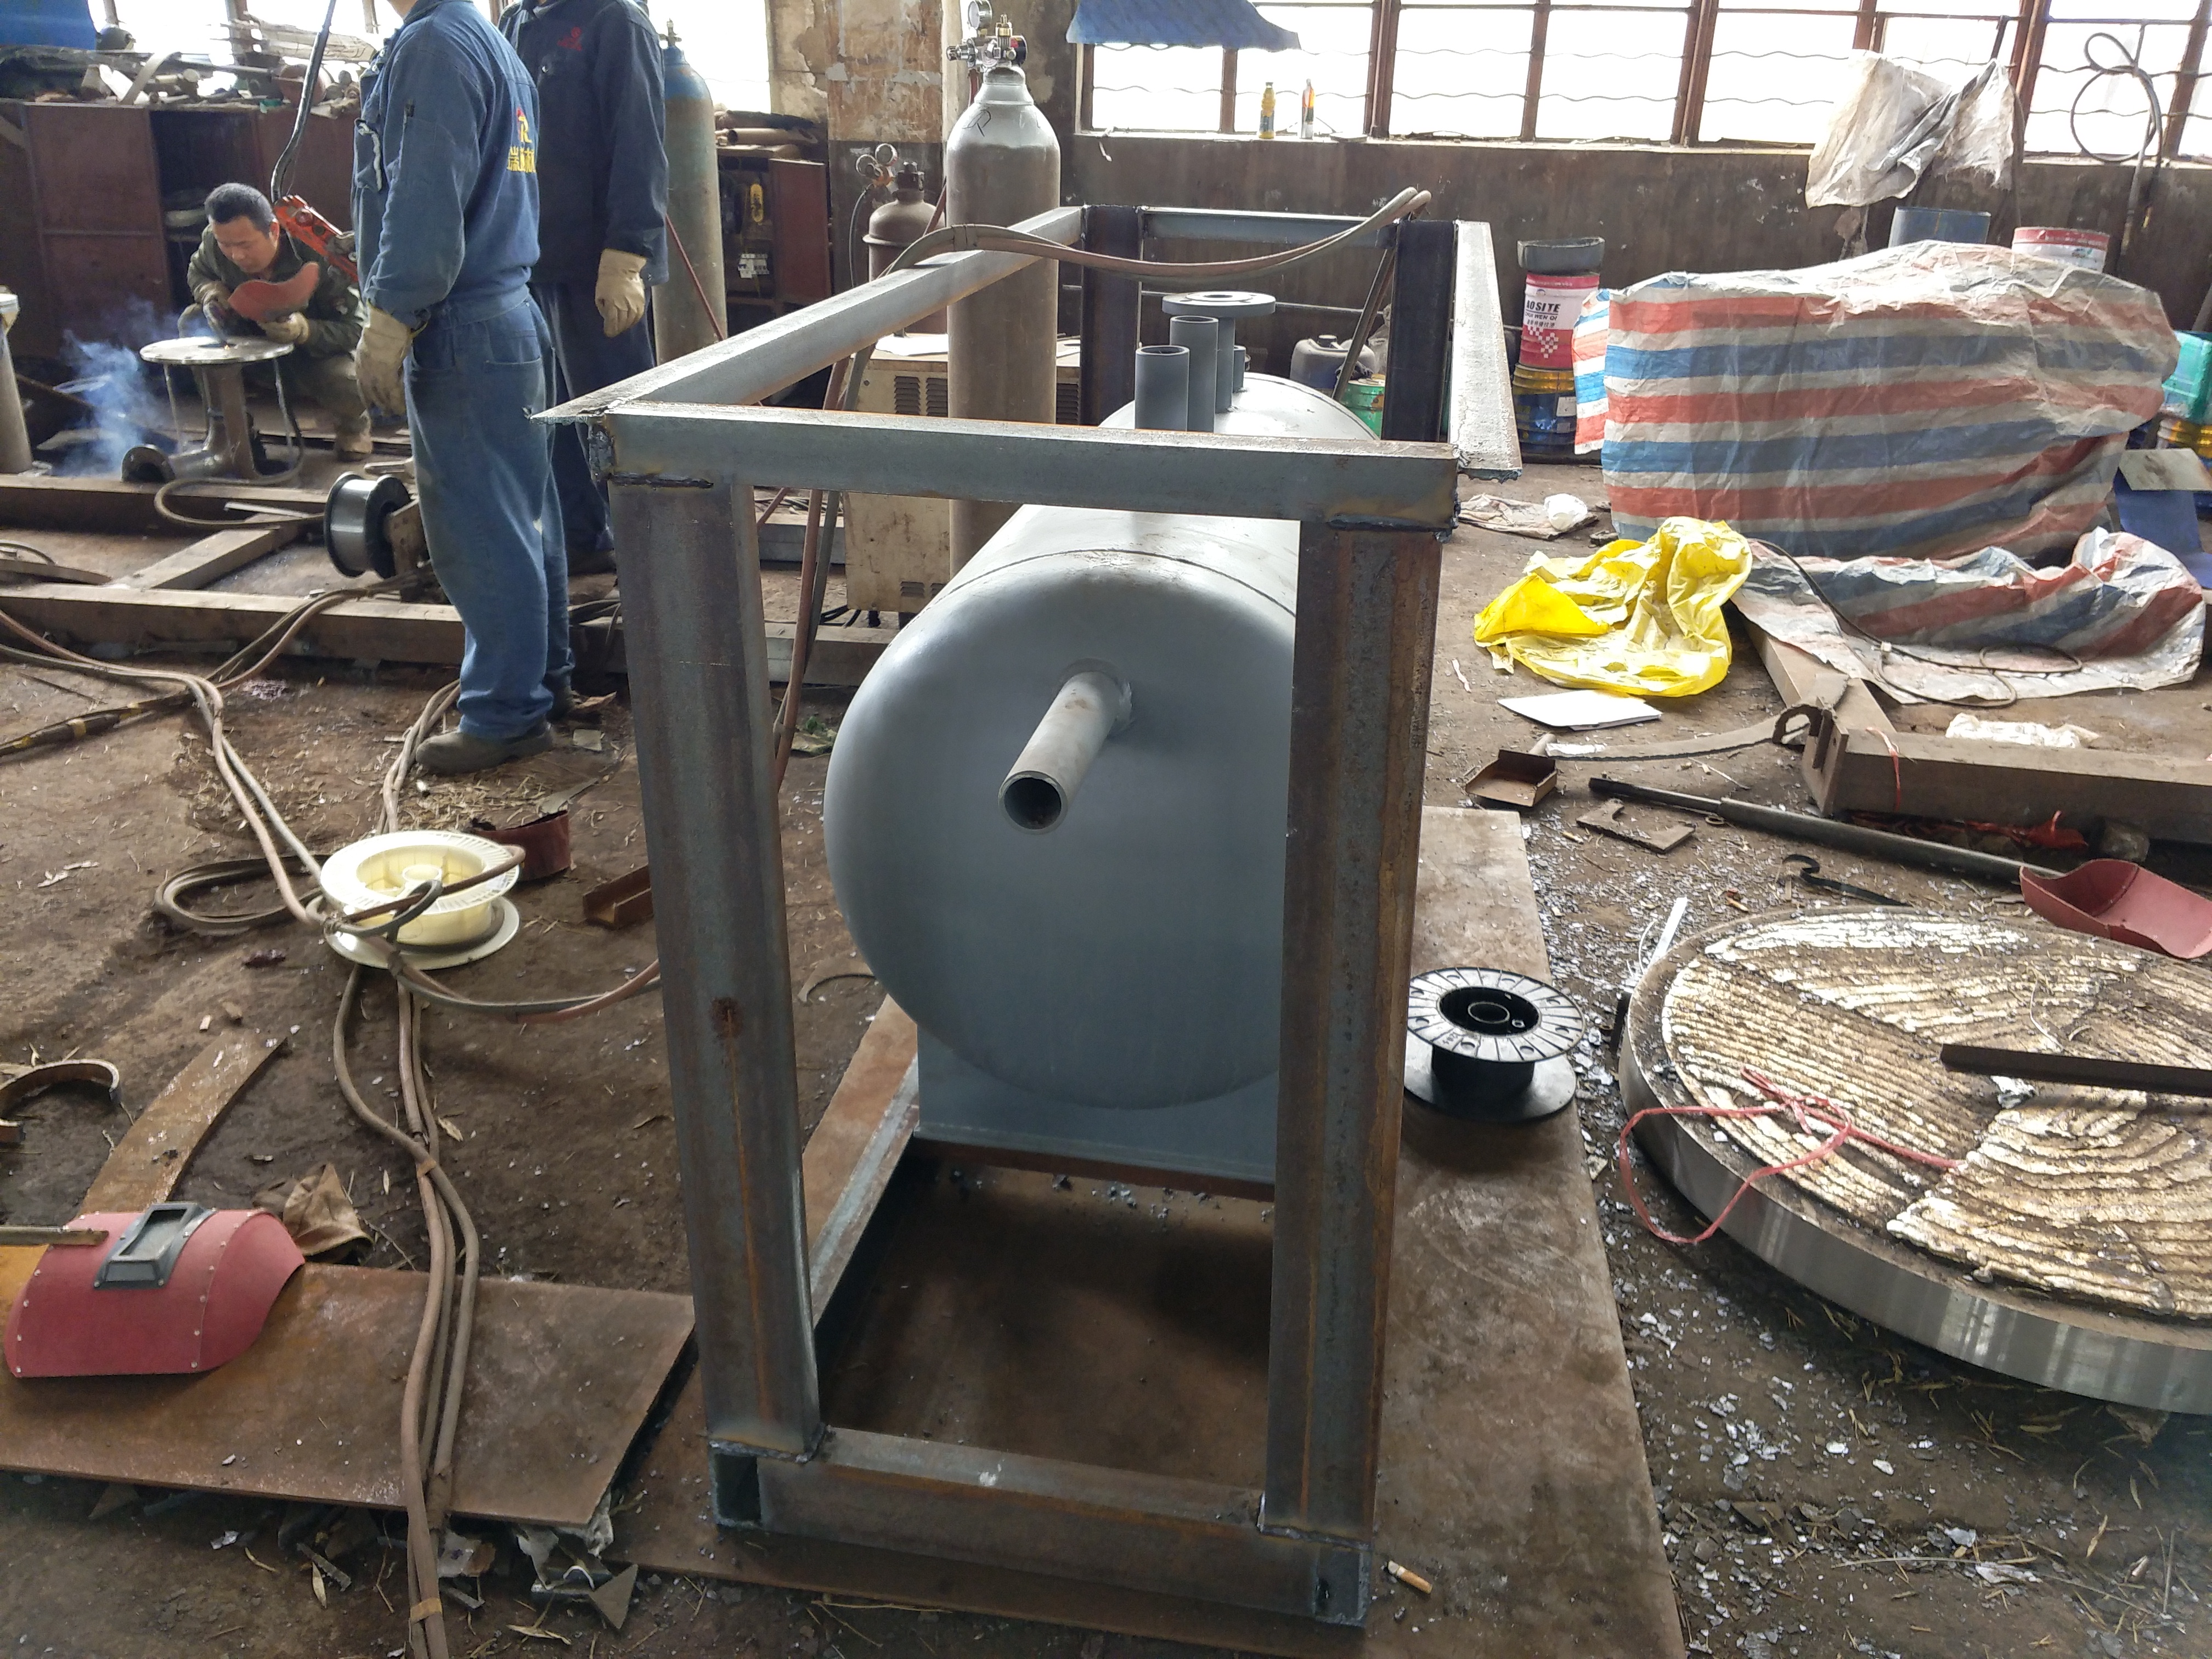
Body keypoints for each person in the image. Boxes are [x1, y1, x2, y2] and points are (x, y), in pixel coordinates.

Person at [355, 0, 571, 775]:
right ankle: (544, 680)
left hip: (461, 327)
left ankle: (506, 714)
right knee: (524, 516)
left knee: (481, 531)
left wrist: (391, 317)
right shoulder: (489, 42)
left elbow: (424, 201)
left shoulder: (434, 47)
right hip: (506, 314)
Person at [498, 0, 667, 575]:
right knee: (551, 419)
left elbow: (639, 141)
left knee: (615, 417)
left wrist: (627, 255)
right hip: (529, 259)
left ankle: (653, 554)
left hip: (597, 267)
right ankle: (581, 540)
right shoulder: (517, 21)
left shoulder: (614, 22)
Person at [188, 183, 371, 460]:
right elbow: (198, 271)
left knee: (350, 383)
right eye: (226, 245)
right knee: (191, 321)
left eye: (245, 245)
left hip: (313, 357)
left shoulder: (320, 254)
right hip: (247, 345)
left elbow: (358, 329)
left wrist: (305, 331)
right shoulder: (214, 244)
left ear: (273, 231)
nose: (236, 256)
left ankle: (353, 427)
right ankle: (233, 429)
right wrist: (210, 292)